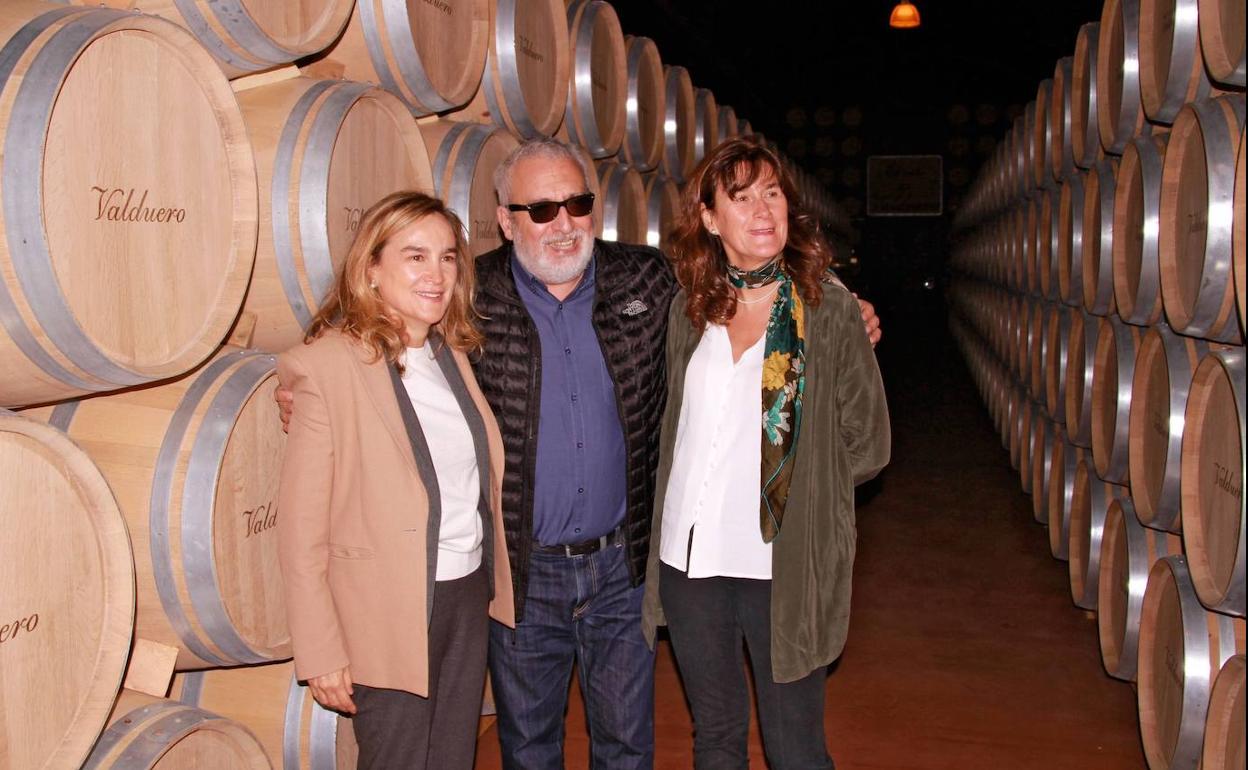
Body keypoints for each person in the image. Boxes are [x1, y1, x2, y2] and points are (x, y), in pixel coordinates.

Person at [277, 138, 881, 769]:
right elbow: (371, 351)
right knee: (530, 748)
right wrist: (310, 389)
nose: (563, 224)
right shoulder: (467, 296)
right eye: (540, 211)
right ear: (506, 222)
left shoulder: (650, 279)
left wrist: (844, 313)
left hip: (622, 569)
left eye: (577, 204)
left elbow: (745, 278)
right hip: (524, 577)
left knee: (626, 747)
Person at [640, 137, 891, 769]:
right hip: (692, 558)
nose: (763, 210)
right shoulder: (690, 309)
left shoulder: (827, 307)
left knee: (795, 745)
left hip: (781, 560)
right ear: (708, 218)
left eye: (773, 194)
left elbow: (869, 444)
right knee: (717, 735)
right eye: (742, 197)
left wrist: (804, 493)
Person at [276, 191, 514, 769]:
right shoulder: (326, 366)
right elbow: (300, 531)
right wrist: (322, 651)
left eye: (448, 257)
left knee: (452, 758)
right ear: (372, 269)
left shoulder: (447, 353)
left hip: (463, 594)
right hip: (385, 610)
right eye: (415, 256)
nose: (437, 274)